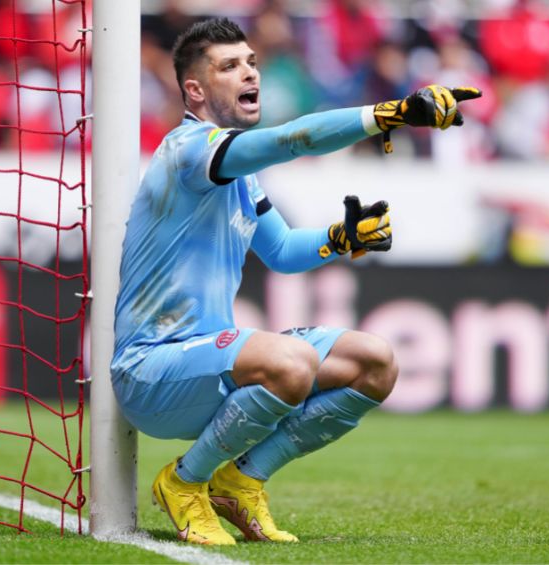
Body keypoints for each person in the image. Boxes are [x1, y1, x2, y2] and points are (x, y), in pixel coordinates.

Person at [111, 17, 481, 545]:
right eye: (229, 66)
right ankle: (184, 481)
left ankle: (240, 480)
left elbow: (281, 251)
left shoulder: (238, 174)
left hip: (207, 366)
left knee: (374, 361)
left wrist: (340, 238)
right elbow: (293, 139)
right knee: (292, 363)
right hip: (152, 370)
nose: (249, 74)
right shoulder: (189, 150)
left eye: (251, 63)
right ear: (194, 89)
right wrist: (388, 114)